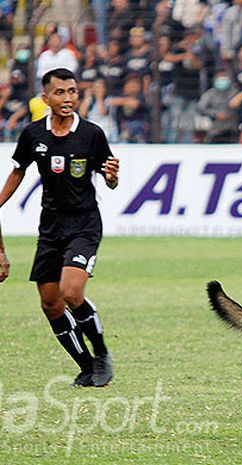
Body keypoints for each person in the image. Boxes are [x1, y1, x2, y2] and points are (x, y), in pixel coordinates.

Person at [0, 68, 119, 388]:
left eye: (73, 92)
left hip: (84, 224)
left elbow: (110, 178)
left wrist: (112, 177)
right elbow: (18, 171)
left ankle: (103, 353)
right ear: (45, 98)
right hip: (50, 227)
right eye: (60, 92)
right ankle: (87, 366)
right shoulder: (33, 134)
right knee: (50, 303)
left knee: (70, 291)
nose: (68, 98)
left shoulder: (91, 134)